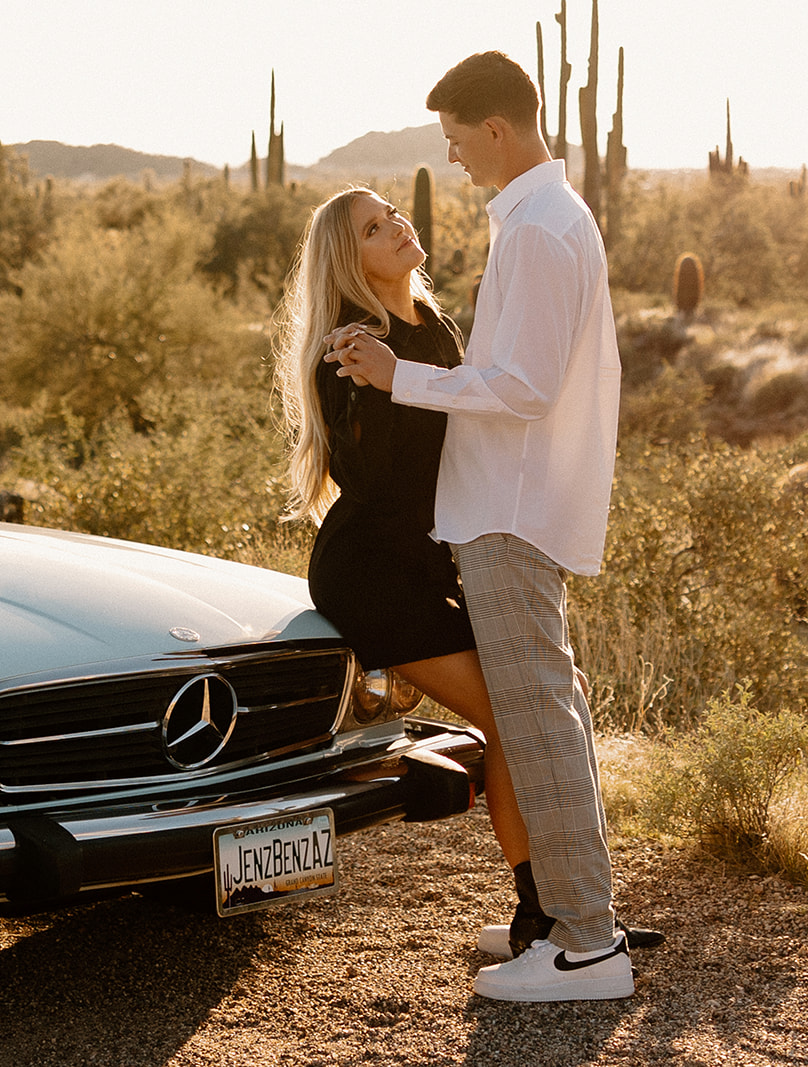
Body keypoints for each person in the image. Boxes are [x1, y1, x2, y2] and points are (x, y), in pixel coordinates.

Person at [327, 50, 640, 1002]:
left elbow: (523, 389)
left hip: (508, 514)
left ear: (495, 129)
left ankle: (586, 945)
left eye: (458, 142)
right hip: (503, 513)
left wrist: (397, 378)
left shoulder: (541, 232)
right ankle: (584, 926)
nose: (454, 161)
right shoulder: (545, 219)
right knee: (549, 716)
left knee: (540, 721)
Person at [273, 185, 533, 950]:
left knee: (548, 701)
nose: (398, 227)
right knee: (511, 715)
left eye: (396, 215)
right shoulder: (351, 347)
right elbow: (382, 480)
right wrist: (383, 380)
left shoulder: (436, 328)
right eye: (375, 228)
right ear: (348, 261)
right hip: (372, 571)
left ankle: (563, 901)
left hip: (431, 560)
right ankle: (540, 911)